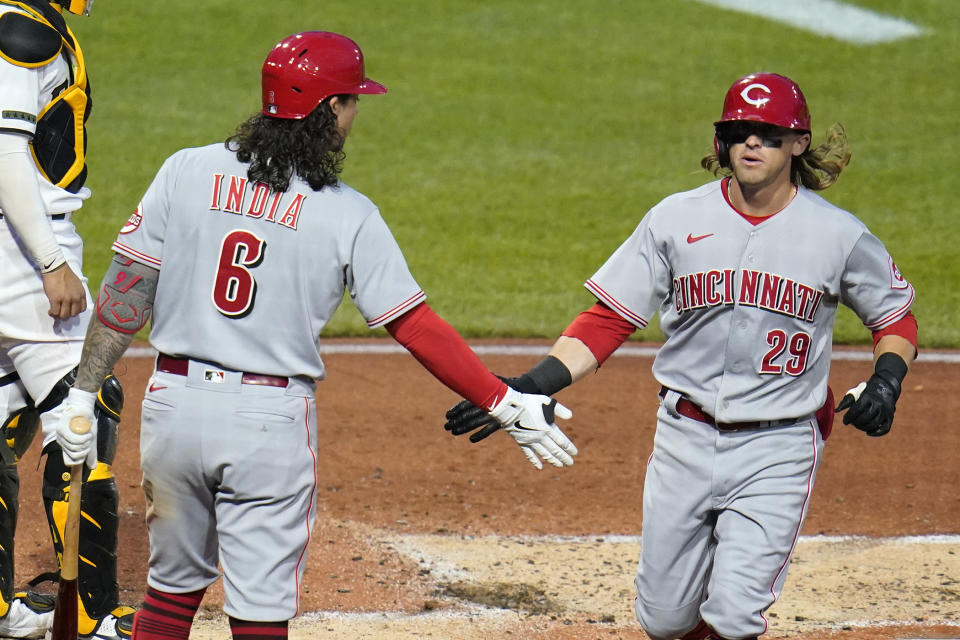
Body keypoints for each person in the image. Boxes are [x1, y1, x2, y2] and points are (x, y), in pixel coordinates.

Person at [54, 30, 577, 640]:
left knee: (169, 596)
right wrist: (502, 399)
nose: (356, 114)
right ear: (329, 108)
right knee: (259, 613)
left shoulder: (186, 169)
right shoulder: (348, 213)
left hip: (174, 407)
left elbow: (127, 288)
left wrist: (83, 392)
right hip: (267, 422)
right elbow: (414, 324)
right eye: (352, 101)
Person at [444, 72, 918, 640]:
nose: (751, 143)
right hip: (684, 436)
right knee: (665, 620)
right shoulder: (675, 218)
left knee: (735, 614)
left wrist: (887, 379)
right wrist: (537, 381)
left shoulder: (837, 235)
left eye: (767, 133)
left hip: (780, 446)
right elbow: (610, 317)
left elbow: (895, 318)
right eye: (739, 130)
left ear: (797, 143)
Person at [0, 1, 137, 638]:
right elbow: (6, 158)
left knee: (4, 415)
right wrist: (53, 262)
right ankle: (89, 609)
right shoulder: (19, 29)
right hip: (24, 253)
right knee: (84, 406)